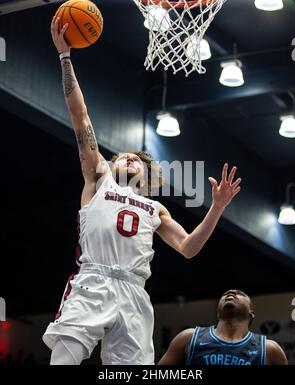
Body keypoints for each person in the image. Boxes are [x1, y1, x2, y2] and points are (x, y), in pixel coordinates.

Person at [43, 16, 242, 365]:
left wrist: (217, 207)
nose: (131, 161)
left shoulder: (155, 210)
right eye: (125, 157)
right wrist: (65, 57)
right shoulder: (97, 177)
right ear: (112, 163)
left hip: (135, 292)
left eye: (138, 161)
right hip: (94, 281)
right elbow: (80, 114)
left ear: (147, 175)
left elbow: (188, 247)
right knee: (63, 359)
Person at [158, 289, 288, 365]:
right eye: (226, 294)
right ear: (217, 312)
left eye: (239, 294)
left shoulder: (269, 349)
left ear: (251, 313)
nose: (231, 293)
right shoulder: (189, 337)